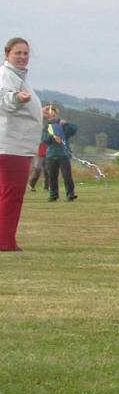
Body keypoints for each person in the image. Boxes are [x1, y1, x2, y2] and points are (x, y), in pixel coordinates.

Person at [0, 37, 43, 251]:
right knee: (12, 193)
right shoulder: (6, 76)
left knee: (8, 193)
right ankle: (5, 241)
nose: (23, 57)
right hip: (11, 145)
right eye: (18, 53)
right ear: (6, 54)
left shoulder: (18, 77)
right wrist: (18, 99)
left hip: (15, 145)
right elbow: (5, 100)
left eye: (26, 53)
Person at [42, 105, 78, 202]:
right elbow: (44, 139)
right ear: (48, 117)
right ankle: (53, 195)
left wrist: (67, 123)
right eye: (51, 116)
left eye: (54, 116)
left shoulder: (63, 126)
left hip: (63, 154)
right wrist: (52, 135)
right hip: (51, 155)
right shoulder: (47, 127)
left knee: (67, 175)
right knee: (52, 176)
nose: (53, 118)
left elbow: (74, 129)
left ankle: (70, 193)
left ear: (57, 115)